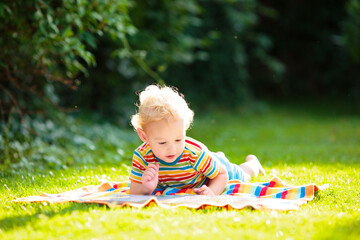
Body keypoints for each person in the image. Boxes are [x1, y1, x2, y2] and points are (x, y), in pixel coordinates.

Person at [129, 84, 265, 195]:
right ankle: (216, 157)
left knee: (243, 175)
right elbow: (134, 191)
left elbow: (222, 175)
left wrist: (212, 191)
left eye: (178, 140)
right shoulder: (142, 157)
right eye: (162, 142)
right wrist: (146, 187)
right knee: (211, 162)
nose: (172, 149)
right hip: (206, 164)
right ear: (144, 136)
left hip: (218, 172)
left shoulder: (194, 153)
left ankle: (253, 163)